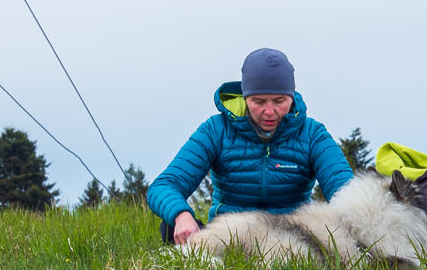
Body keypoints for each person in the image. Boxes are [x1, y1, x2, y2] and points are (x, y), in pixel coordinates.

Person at [148, 48, 355, 244]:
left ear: (292, 98)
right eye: (259, 101)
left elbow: (346, 192)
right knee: (169, 227)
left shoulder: (313, 135)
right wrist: (180, 214)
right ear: (245, 97)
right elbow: (164, 185)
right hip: (228, 238)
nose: (269, 111)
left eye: (279, 101)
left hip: (293, 241)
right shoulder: (216, 130)